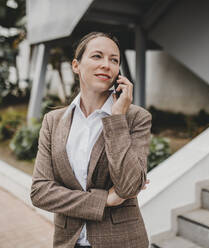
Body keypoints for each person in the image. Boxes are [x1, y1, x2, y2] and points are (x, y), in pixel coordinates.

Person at [31, 32, 152, 248]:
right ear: (76, 66)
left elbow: (128, 187)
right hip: (69, 241)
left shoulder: (136, 118)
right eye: (97, 56)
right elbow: (40, 192)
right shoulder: (53, 121)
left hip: (122, 241)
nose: (106, 64)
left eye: (114, 60)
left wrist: (117, 119)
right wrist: (104, 199)